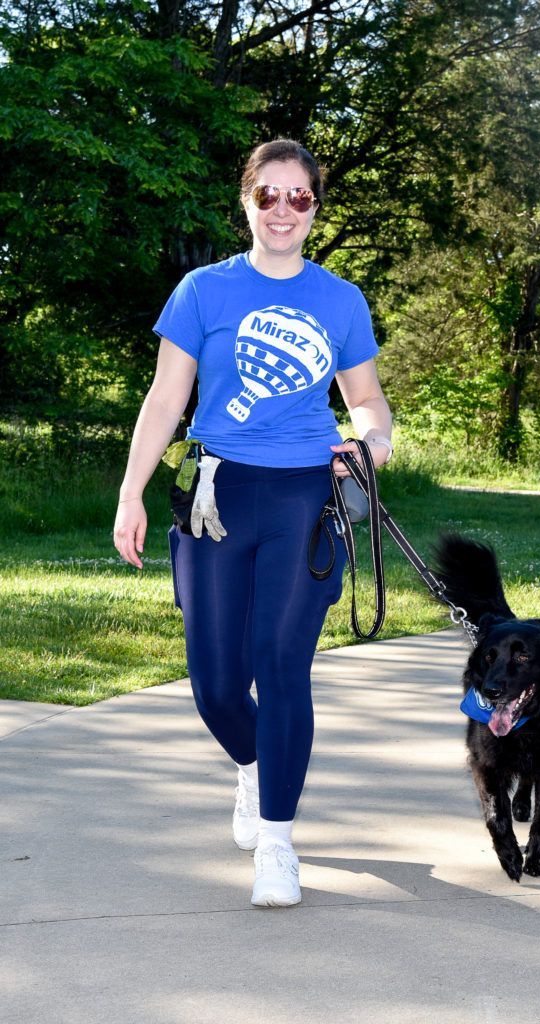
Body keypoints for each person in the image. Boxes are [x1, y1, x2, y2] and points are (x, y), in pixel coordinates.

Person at [113, 139, 392, 908]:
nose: (281, 210)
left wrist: (370, 444)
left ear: (314, 208)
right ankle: (253, 767)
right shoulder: (203, 290)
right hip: (215, 493)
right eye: (267, 195)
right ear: (246, 203)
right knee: (213, 688)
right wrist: (131, 491)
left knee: (280, 667)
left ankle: (277, 842)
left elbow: (366, 401)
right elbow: (166, 399)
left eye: (297, 197)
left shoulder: (339, 300)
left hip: (305, 495)